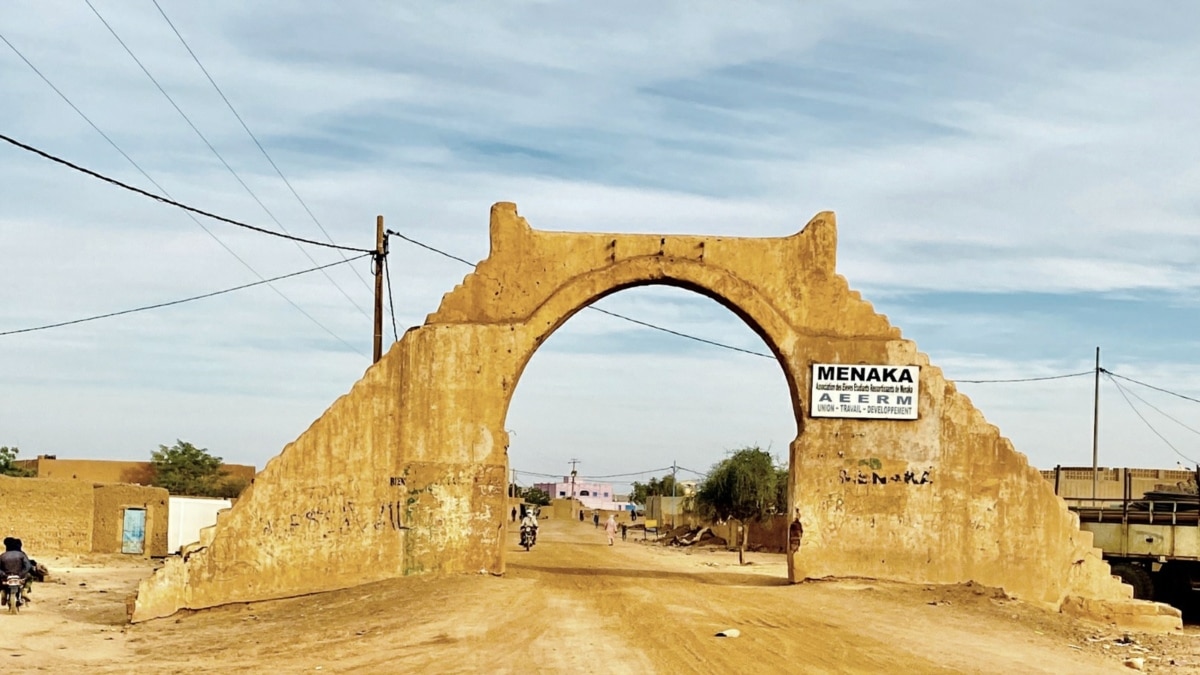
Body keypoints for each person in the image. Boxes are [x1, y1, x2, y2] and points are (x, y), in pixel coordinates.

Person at [0, 537, 34, 601]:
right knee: (30, 577)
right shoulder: (21, 554)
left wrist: (3, 574)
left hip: (6, 577)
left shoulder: (2, 556)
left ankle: (2, 591)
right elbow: (28, 566)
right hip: (19, 576)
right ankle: (25, 591)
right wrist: (21, 574)